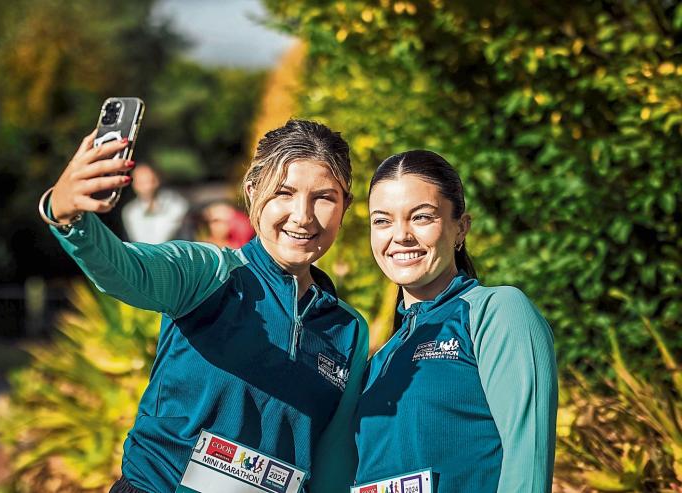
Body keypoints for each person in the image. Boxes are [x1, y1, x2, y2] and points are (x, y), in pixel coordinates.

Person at [38, 119, 368, 493]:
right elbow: (124, 269)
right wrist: (67, 215)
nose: (303, 215)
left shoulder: (348, 329)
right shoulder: (209, 274)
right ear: (252, 192)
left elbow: (333, 467)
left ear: (345, 208)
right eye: (284, 193)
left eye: (324, 197)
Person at [353, 150, 557, 492]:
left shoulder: (498, 312)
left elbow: (527, 469)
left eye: (421, 217)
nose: (400, 235)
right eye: (382, 220)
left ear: (460, 228)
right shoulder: (379, 359)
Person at [121, 162, 189, 243]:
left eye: (149, 181)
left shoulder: (177, 205)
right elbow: (139, 241)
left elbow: (162, 238)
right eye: (140, 182)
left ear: (157, 180)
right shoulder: (130, 211)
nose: (146, 186)